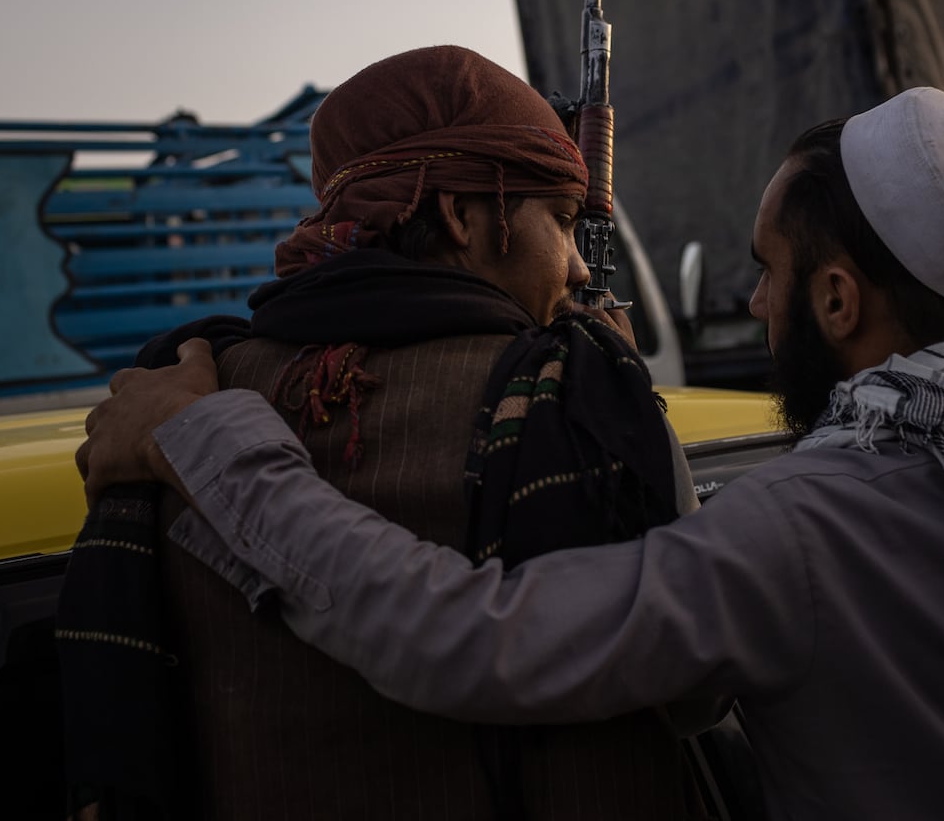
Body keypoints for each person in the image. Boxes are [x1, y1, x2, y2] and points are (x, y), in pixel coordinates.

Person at [79, 87, 944, 820]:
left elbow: (465, 638)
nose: (754, 311)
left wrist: (212, 440)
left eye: (765, 277)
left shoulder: (803, 530)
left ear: (835, 298)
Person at [57, 45, 711, 820]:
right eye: (563, 222)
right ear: (460, 215)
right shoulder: (579, 397)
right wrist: (622, 401)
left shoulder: (181, 388)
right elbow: (693, 688)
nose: (574, 267)